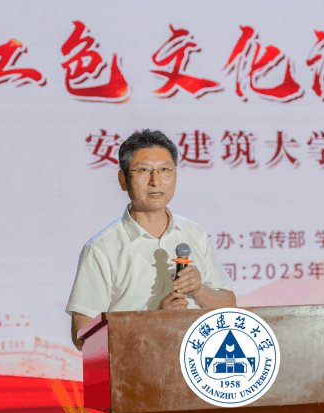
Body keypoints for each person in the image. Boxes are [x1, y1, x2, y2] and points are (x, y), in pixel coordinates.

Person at [66, 129, 236, 349]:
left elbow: (230, 307)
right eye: (144, 170)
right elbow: (83, 337)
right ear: (123, 179)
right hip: (135, 368)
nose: (155, 181)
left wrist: (199, 290)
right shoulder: (102, 248)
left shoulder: (195, 233)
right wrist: (153, 321)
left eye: (164, 170)